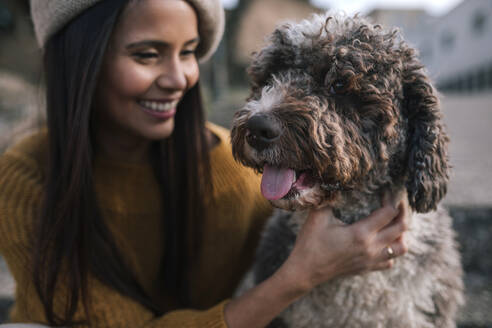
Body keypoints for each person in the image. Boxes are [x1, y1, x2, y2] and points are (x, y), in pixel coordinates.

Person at [0, 0, 409, 327]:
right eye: (147, 55)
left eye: (190, 52)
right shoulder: (25, 178)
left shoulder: (237, 177)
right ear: (79, 60)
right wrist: (296, 279)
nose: (178, 78)